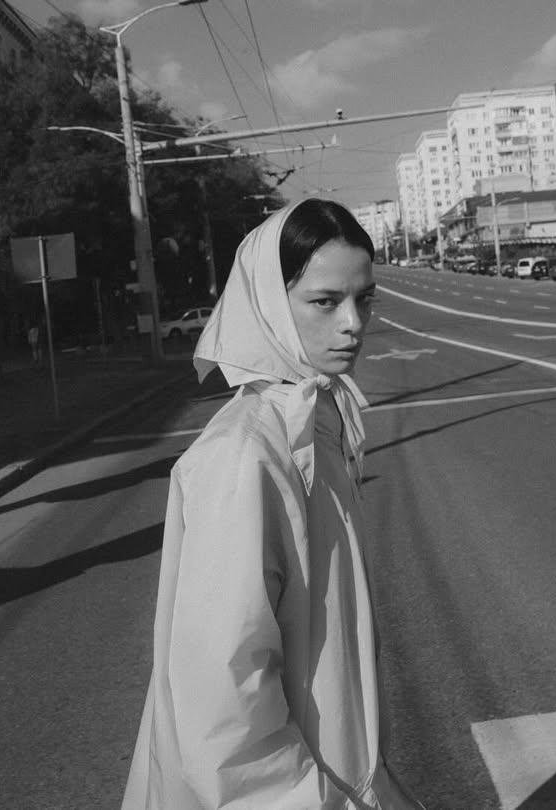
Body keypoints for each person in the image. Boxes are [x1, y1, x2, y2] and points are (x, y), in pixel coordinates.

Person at [123, 199, 424, 809]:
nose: (354, 323)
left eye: (364, 299)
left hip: (336, 768)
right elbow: (224, 694)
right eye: (325, 301)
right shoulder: (247, 453)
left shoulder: (315, 422)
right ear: (268, 304)